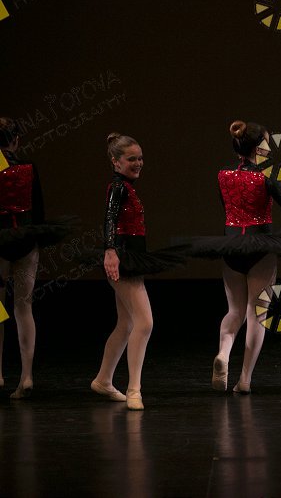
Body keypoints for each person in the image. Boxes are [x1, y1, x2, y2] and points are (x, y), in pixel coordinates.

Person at [180, 120, 281, 394]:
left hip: (231, 247)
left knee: (234, 311)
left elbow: (228, 210)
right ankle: (244, 380)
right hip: (259, 247)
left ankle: (223, 354)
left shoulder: (223, 175)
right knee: (257, 314)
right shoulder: (266, 177)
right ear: (259, 147)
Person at [91, 132, 183, 410]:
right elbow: (109, 218)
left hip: (131, 258)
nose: (138, 163)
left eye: (140, 158)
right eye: (132, 159)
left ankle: (103, 380)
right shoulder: (118, 187)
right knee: (145, 322)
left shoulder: (127, 187)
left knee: (126, 324)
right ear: (115, 161)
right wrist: (110, 251)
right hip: (122, 259)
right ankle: (134, 389)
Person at [0, 117, 74, 399]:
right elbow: (38, 209)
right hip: (27, 240)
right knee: (24, 307)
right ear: (16, 140)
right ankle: (27, 376)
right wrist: (37, 239)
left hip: (1, 241)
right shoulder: (28, 168)